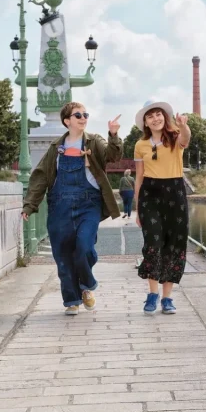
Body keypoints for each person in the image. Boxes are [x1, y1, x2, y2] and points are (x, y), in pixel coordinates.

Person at [22, 102, 123, 315]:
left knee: (85, 247)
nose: (83, 117)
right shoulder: (55, 149)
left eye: (85, 114)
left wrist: (113, 135)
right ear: (67, 120)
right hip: (60, 205)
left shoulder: (95, 142)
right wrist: (29, 205)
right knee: (63, 255)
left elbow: (112, 156)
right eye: (78, 115)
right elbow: (40, 177)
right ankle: (72, 300)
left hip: (89, 203)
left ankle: (86, 285)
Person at [132, 99, 191, 314]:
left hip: (175, 193)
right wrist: (138, 208)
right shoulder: (140, 145)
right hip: (150, 194)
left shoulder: (175, 138)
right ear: (146, 122)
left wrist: (183, 125)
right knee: (153, 242)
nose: (155, 118)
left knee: (174, 244)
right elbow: (139, 177)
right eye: (150, 116)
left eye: (158, 114)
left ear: (164, 117)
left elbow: (186, 138)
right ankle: (152, 293)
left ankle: (167, 298)